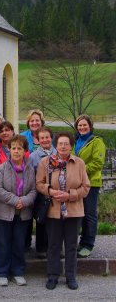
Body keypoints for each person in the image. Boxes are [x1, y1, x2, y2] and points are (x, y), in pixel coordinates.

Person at [36, 132, 90, 291]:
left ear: (71, 146)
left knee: (71, 246)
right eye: (60, 143)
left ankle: (71, 276)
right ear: (56, 145)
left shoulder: (79, 163)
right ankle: (52, 276)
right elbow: (39, 183)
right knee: (53, 245)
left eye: (66, 144)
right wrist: (51, 191)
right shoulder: (45, 162)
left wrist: (70, 195)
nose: (63, 146)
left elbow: (86, 187)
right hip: (53, 210)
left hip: (73, 211)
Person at [0, 135, 36, 287]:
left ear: (25, 151)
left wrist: (23, 201)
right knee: (3, 243)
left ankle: (17, 272)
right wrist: (14, 200)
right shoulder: (2, 168)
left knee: (18, 244)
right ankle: (2, 272)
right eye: (13, 148)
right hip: (3, 213)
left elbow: (34, 190)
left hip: (23, 213)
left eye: (19, 148)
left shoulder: (30, 169)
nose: (16, 151)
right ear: (9, 150)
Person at [73, 114, 106, 258]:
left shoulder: (97, 142)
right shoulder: (76, 141)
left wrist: (79, 170)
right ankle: (81, 241)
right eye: (79, 125)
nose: (82, 127)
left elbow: (98, 163)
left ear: (90, 126)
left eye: (84, 125)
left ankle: (88, 244)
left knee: (89, 214)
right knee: (79, 213)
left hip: (91, 183)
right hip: (77, 183)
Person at [28, 126, 57, 258]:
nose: (45, 140)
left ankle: (54, 247)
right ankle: (41, 247)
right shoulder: (33, 156)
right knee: (41, 220)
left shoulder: (58, 153)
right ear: (38, 140)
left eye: (47, 137)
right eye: (42, 138)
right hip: (41, 192)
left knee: (56, 220)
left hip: (57, 192)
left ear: (51, 138)